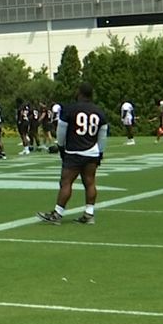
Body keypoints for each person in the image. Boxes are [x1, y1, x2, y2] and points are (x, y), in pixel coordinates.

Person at [38, 82, 108, 225]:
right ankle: (89, 214)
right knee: (90, 182)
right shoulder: (99, 111)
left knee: (66, 182)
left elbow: (61, 131)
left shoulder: (70, 109)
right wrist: (100, 153)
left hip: (74, 151)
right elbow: (102, 135)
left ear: (80, 92)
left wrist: (61, 147)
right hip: (92, 151)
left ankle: (58, 213)